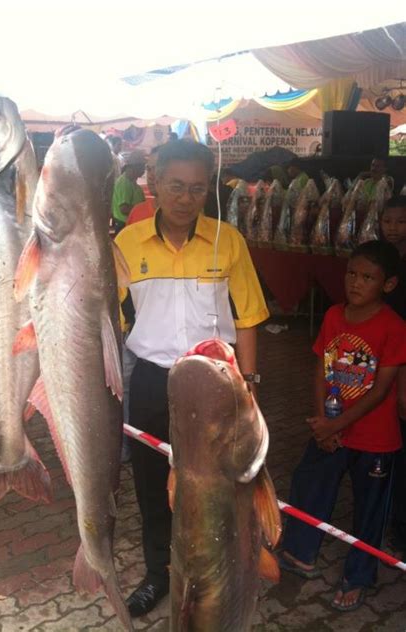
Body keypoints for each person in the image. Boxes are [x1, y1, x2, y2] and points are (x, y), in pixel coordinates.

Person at [115, 139, 269, 617]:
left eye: (197, 189)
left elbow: (247, 317)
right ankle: (160, 572)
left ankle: (219, 574)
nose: (185, 198)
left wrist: (250, 381)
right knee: (151, 483)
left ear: (209, 190)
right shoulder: (125, 245)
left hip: (218, 387)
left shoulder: (229, 241)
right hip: (151, 383)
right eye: (175, 186)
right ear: (154, 183)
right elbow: (111, 321)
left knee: (222, 485)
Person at [279, 240, 406, 612]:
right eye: (352, 273)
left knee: (369, 511)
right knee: (308, 483)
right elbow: (321, 368)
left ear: (388, 285)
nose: (356, 282)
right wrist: (323, 422)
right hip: (330, 429)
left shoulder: (394, 327)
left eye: (368, 277)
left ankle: (359, 575)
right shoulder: (334, 315)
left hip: (375, 440)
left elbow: (382, 390)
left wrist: (338, 425)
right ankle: (301, 552)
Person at [379, 196, 406, 553]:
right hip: (380, 362)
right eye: (388, 221)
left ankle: (400, 525)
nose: (393, 228)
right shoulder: (378, 260)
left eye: (401, 221)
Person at [126, 146, 160, 226]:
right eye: (149, 169)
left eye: (157, 169)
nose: (150, 176)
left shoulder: (187, 216)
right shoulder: (137, 213)